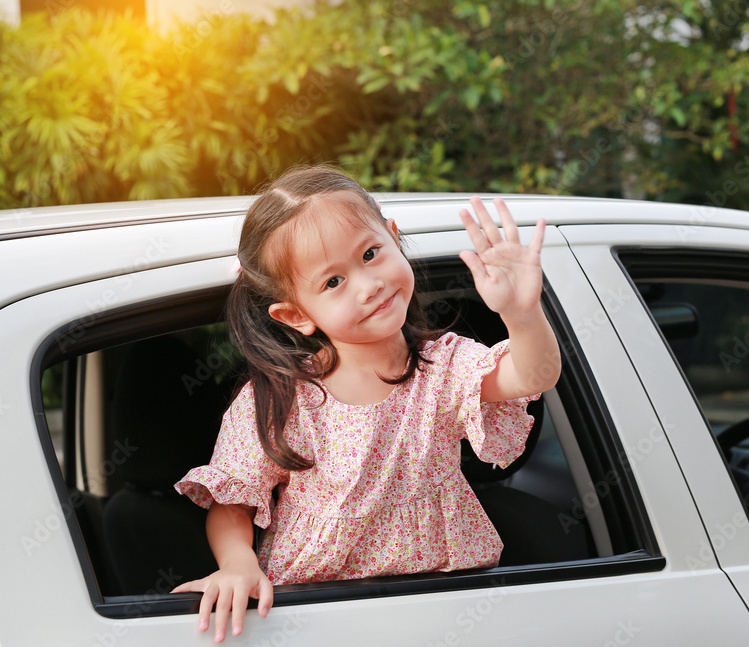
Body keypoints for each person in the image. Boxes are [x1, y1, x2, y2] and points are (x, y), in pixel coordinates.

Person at [173, 166, 561, 642]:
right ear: (295, 315)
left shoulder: (444, 367)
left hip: (445, 609)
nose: (368, 284)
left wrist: (521, 316)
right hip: (316, 616)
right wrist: (237, 565)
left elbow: (532, 375)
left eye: (371, 254)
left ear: (394, 238)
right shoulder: (280, 401)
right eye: (333, 282)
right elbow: (233, 499)